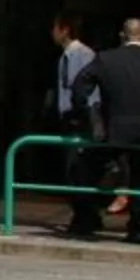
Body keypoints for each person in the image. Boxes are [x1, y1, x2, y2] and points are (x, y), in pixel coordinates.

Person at [71, 17, 140, 243]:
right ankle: (138, 228)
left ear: (123, 36)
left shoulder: (106, 59)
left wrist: (89, 115)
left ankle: (85, 218)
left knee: (87, 169)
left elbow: (80, 85)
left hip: (113, 128)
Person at [48, 14, 100, 233]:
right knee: (72, 171)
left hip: (79, 120)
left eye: (55, 28)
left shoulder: (83, 54)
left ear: (65, 30)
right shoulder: (66, 56)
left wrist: (84, 117)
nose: (53, 33)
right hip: (68, 119)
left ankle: (85, 218)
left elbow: (89, 91)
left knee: (78, 170)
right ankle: (85, 215)